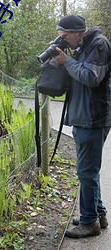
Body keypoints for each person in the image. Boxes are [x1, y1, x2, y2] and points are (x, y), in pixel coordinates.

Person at [53, 15, 111, 238]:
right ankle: (98, 214)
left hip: (93, 118)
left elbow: (90, 77)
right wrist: (63, 59)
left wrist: (66, 61)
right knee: (88, 171)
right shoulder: (82, 46)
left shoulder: (99, 44)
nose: (64, 41)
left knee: (86, 171)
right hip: (83, 117)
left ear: (77, 32)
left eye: (65, 37)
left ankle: (89, 223)